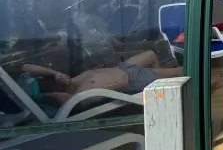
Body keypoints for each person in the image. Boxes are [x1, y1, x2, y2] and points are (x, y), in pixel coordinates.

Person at [20, 50, 183, 106]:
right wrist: (43, 96)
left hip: (123, 68)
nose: (60, 78)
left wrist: (53, 73)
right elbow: (62, 100)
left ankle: (162, 97)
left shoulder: (72, 82)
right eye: (54, 82)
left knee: (151, 54)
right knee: (180, 71)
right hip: (132, 79)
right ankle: (163, 89)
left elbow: (25, 67)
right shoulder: (76, 97)